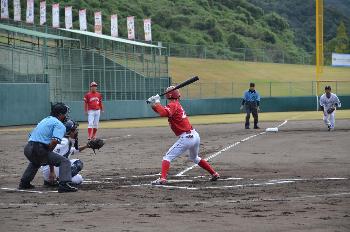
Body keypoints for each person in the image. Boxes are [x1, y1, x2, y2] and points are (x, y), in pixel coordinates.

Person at [147, 86, 220, 185]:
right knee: (195, 158)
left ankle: (162, 179)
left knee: (167, 157)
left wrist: (157, 102)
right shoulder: (175, 104)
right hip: (194, 136)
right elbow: (162, 111)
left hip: (186, 138)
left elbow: (164, 113)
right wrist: (153, 104)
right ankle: (214, 173)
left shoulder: (172, 105)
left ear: (169, 95)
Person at [19, 103, 77, 193]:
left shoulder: (45, 120)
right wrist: (48, 150)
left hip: (28, 148)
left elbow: (31, 135)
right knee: (64, 161)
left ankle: (24, 183)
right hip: (38, 148)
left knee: (36, 161)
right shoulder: (59, 124)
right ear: (60, 114)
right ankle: (64, 184)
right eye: (65, 114)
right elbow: (54, 141)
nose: (66, 116)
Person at [41, 120, 88, 186]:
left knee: (78, 178)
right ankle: (59, 180)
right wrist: (52, 172)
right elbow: (50, 153)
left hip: (47, 171)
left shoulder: (62, 139)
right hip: (51, 171)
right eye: (75, 129)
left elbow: (73, 150)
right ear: (70, 131)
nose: (76, 131)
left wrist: (87, 146)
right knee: (78, 163)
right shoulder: (64, 141)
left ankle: (52, 180)